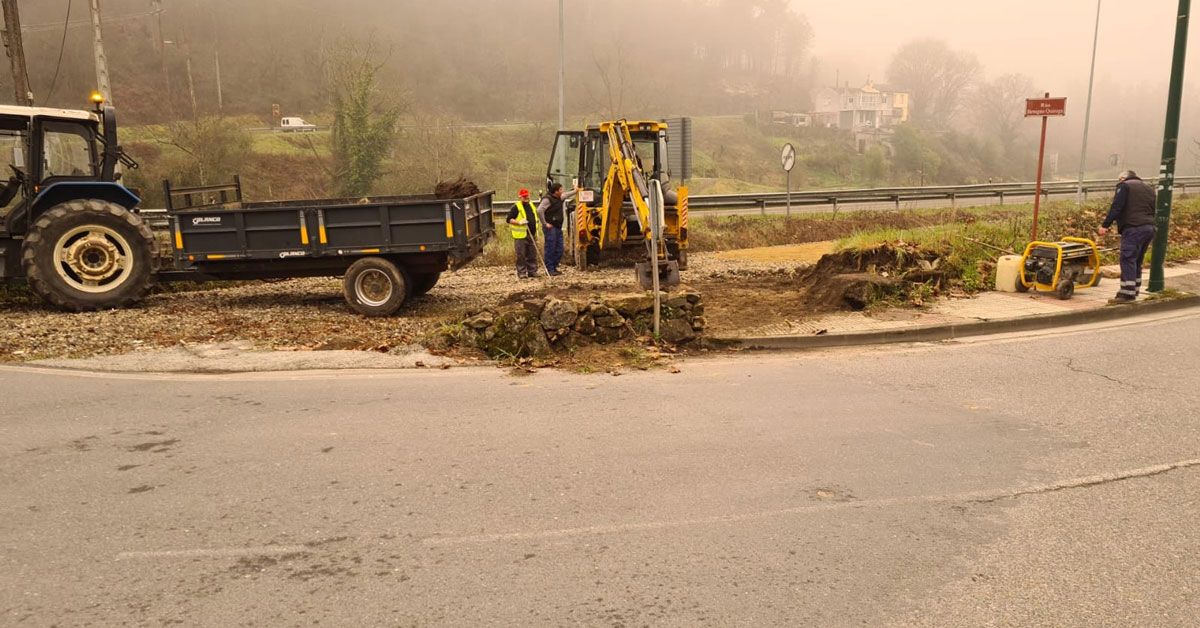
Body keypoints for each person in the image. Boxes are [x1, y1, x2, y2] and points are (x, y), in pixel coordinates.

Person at [1098, 170, 1157, 303]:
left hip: (1133, 228)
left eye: (1119, 179)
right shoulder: (1149, 188)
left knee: (1127, 258)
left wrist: (1105, 225)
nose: (1119, 182)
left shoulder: (1125, 186)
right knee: (1137, 260)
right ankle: (1134, 289)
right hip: (1148, 228)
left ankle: (1127, 294)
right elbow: (1153, 209)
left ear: (1124, 178)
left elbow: (1116, 207)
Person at [507, 188, 541, 279]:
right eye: (524, 196)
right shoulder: (516, 207)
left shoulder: (531, 205)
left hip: (532, 234)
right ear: (520, 197)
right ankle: (521, 272)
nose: (526, 198)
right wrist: (519, 222)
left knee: (532, 254)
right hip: (520, 236)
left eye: (527, 196)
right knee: (521, 254)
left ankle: (532, 271)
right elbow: (509, 219)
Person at [538, 183, 566, 276]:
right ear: (556, 191)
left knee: (559, 248)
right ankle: (549, 269)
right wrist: (545, 223)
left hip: (558, 227)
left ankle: (554, 267)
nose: (563, 191)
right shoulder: (547, 199)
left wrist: (576, 190)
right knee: (550, 248)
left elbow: (567, 195)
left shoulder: (559, 198)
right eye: (561, 189)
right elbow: (539, 210)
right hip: (551, 228)